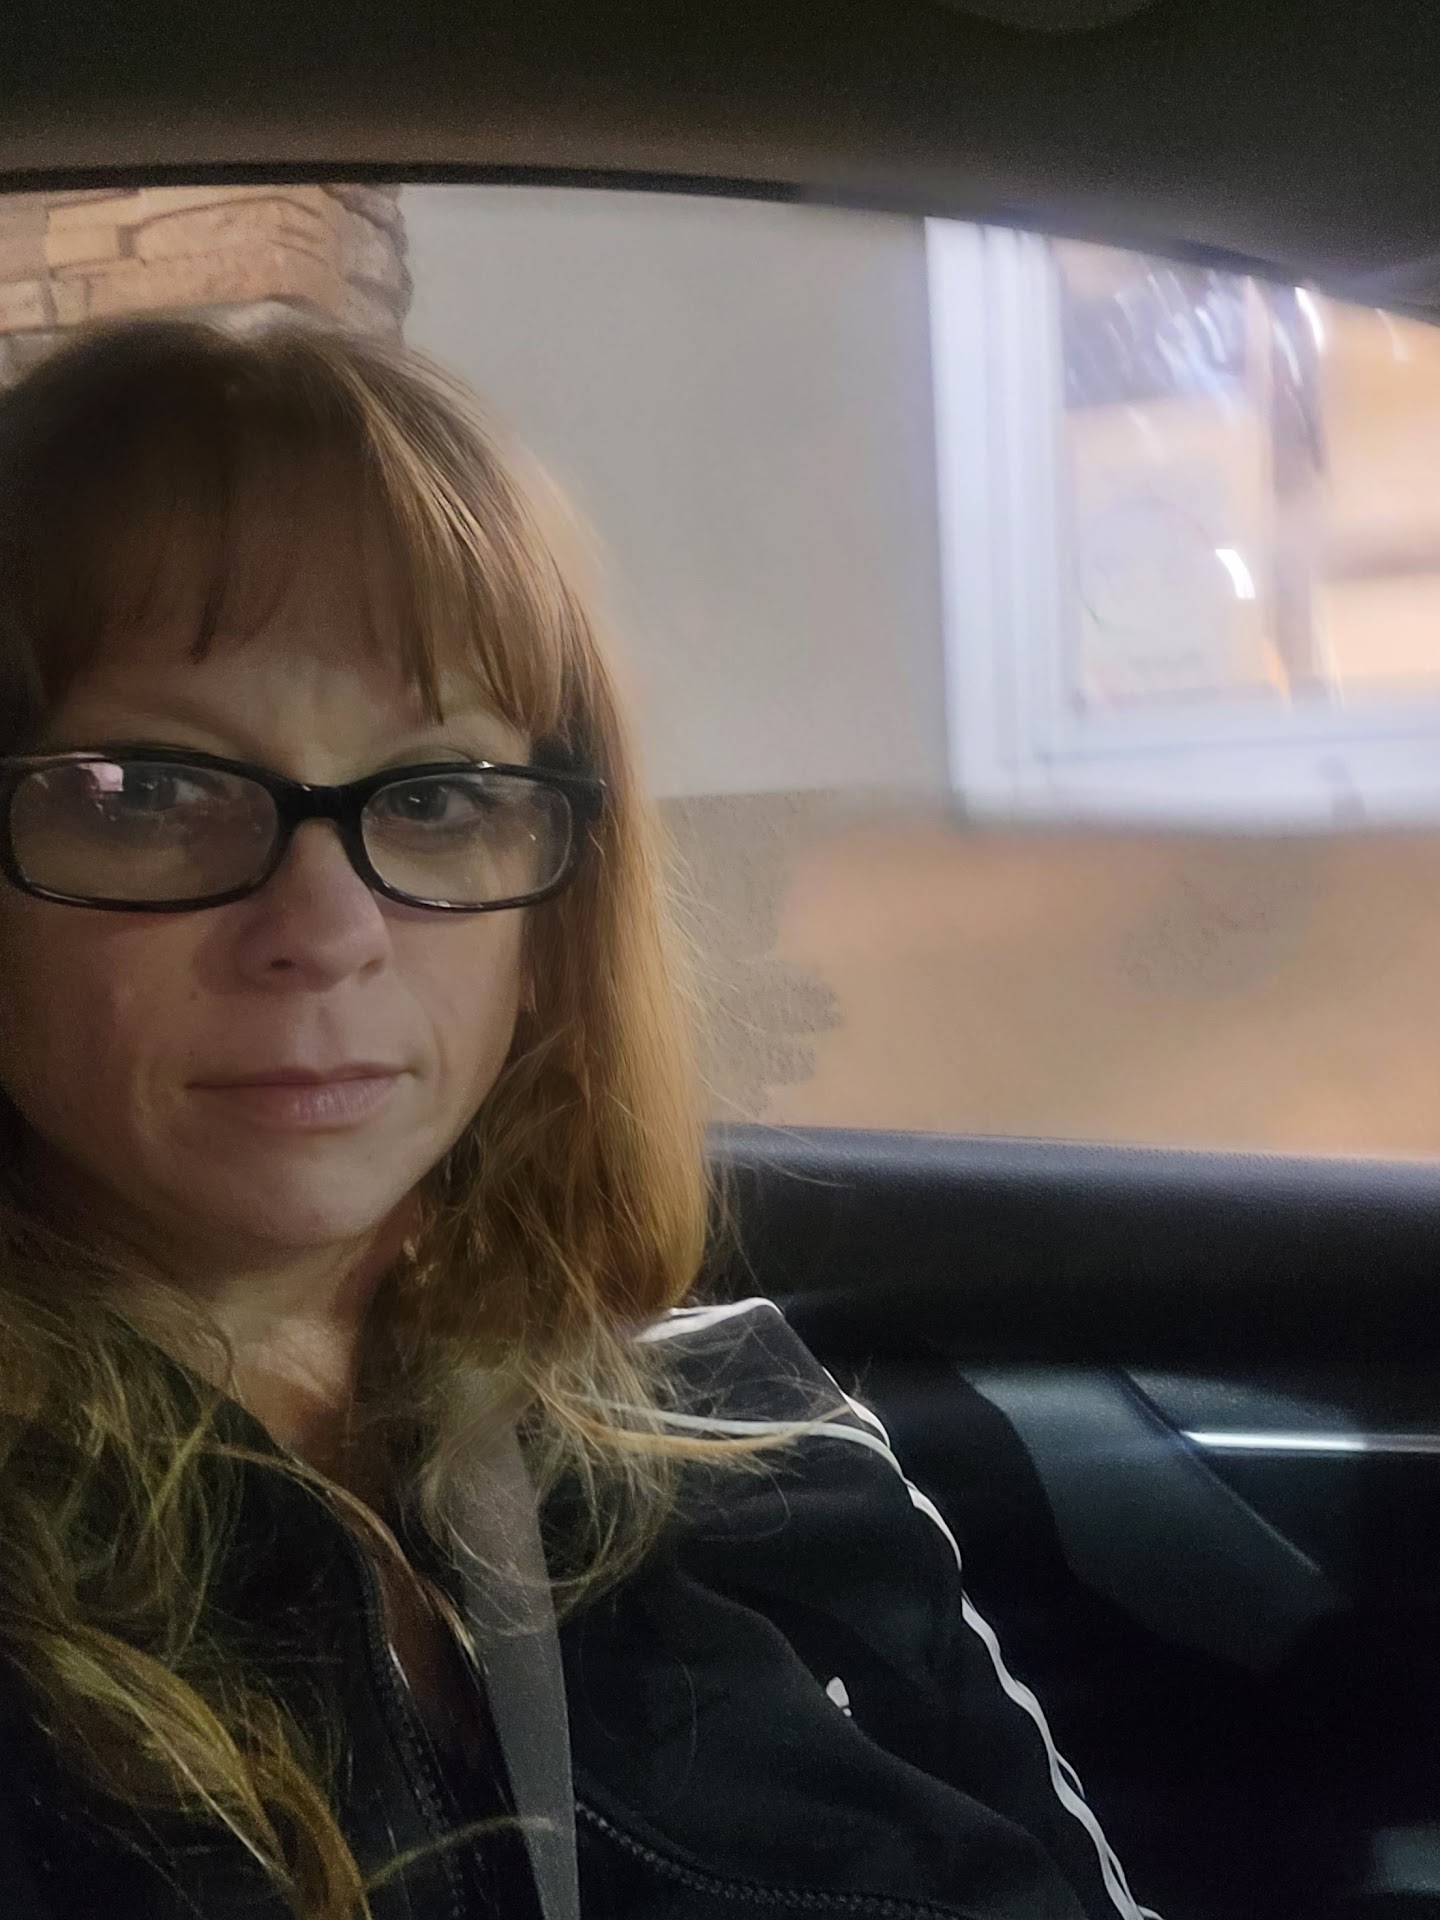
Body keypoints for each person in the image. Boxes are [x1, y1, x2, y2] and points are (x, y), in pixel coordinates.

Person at [0, 316, 1158, 1920]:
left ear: (554, 910)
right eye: (151, 792)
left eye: (436, 796)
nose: (325, 931)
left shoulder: (752, 1437)